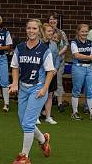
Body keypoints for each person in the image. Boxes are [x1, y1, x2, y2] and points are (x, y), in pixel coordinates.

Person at [9, 19, 55, 164]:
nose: (31, 31)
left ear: (39, 30)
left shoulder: (44, 50)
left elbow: (51, 71)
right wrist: (15, 83)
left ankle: (24, 157)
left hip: (38, 89)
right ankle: (43, 140)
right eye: (29, 28)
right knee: (24, 122)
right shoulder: (20, 47)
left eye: (34, 28)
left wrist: (44, 89)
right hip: (23, 88)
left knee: (28, 123)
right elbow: (15, 66)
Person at [70, 24, 92, 121]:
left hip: (89, 68)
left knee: (90, 90)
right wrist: (89, 57)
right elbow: (76, 55)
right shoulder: (74, 42)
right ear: (78, 32)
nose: (84, 33)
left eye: (86, 31)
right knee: (77, 90)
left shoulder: (91, 42)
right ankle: (74, 112)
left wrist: (90, 57)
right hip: (78, 67)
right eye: (82, 31)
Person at [48, 12, 69, 113]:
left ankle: (60, 103)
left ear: (57, 21)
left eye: (54, 19)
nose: (52, 21)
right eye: (51, 19)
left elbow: (66, 45)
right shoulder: (45, 32)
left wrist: (58, 54)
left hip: (59, 62)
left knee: (58, 82)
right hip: (47, 62)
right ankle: (47, 103)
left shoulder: (61, 33)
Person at [40, 23, 60, 124]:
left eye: (51, 31)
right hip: (41, 74)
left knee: (50, 94)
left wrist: (55, 69)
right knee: (38, 94)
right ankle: (36, 117)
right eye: (48, 31)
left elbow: (57, 58)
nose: (51, 33)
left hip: (51, 73)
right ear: (43, 32)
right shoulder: (38, 43)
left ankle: (48, 117)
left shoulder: (54, 44)